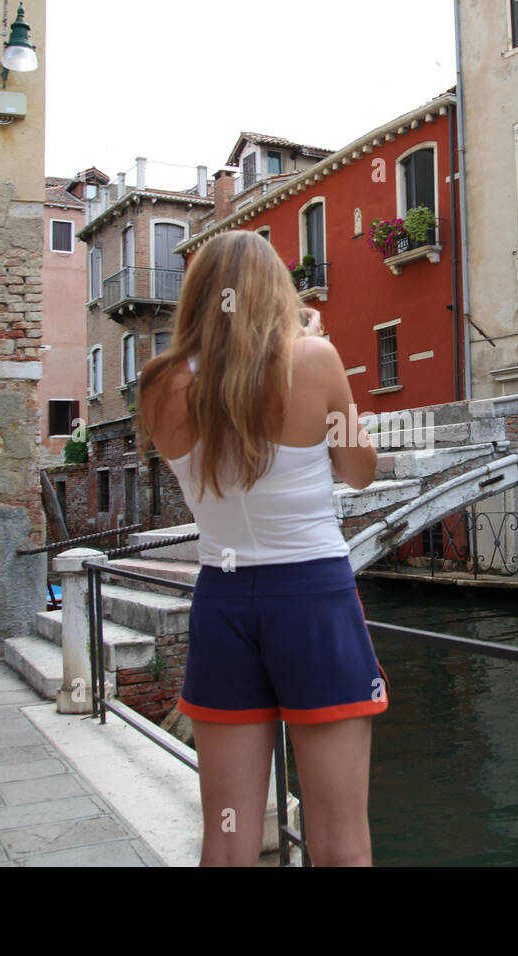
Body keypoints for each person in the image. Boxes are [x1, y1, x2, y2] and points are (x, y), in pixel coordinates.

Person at [138, 230, 386, 867]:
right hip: (312, 598)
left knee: (226, 838)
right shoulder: (315, 360)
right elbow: (360, 471)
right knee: (341, 842)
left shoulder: (159, 384)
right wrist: (312, 340)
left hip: (222, 599)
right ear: (277, 290)